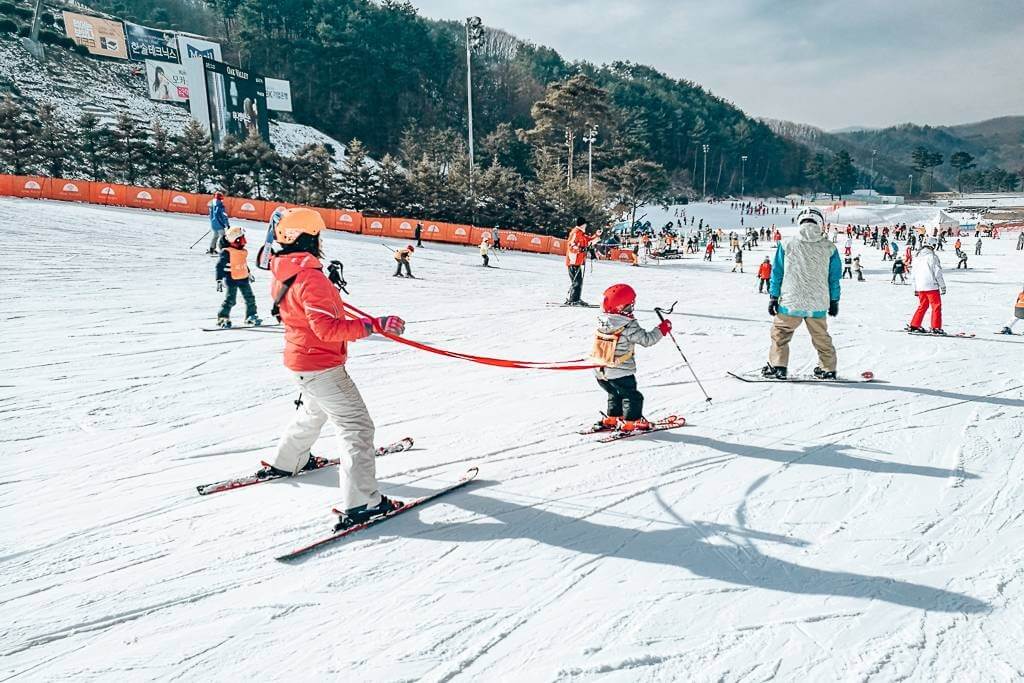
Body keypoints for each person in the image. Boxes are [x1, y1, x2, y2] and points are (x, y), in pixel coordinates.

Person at [262, 208, 407, 530]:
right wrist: (375, 325)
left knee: (315, 411)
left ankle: (288, 461)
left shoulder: (284, 267)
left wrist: (326, 287)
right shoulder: (309, 277)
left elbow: (304, 307)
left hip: (301, 359)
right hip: (321, 365)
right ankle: (364, 503)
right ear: (309, 238)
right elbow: (328, 329)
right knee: (356, 427)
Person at [763, 208, 841, 380]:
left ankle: (778, 366)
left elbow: (777, 272)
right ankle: (828, 368)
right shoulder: (829, 247)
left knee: (780, 333)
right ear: (820, 223)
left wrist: (773, 297)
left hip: (791, 302)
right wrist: (834, 300)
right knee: (821, 336)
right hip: (818, 303)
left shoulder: (787, 244)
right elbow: (834, 277)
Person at [590, 284, 671, 432]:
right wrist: (662, 329)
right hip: (620, 371)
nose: (631, 310)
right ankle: (631, 422)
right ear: (622, 307)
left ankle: (612, 418)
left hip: (600, 371)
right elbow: (647, 340)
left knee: (614, 393)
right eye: (629, 306)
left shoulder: (601, 320)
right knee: (632, 396)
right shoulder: (628, 325)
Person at [215, 226, 261, 328]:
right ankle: (222, 317)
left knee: (250, 298)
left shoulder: (242, 251)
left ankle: (251, 316)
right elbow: (220, 266)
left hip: (243, 278)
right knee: (231, 300)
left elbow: (242, 263)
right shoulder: (227, 252)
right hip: (231, 279)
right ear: (235, 240)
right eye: (241, 239)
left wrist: (249, 273)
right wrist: (219, 279)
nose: (244, 242)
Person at [907, 239, 946, 335]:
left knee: (923, 305)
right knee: (936, 306)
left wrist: (915, 288)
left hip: (920, 286)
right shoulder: (932, 257)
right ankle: (935, 327)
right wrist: (942, 286)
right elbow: (937, 273)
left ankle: (914, 324)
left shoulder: (917, 257)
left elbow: (913, 274)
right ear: (932, 245)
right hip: (931, 285)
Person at [565, 218, 599, 305]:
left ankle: (575, 299)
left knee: (578, 281)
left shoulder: (581, 234)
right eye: (585, 224)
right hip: (573, 261)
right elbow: (571, 245)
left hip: (577, 261)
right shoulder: (576, 233)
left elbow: (589, 241)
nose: (586, 226)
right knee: (577, 281)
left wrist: (597, 235)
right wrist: (580, 249)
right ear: (583, 224)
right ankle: (574, 300)